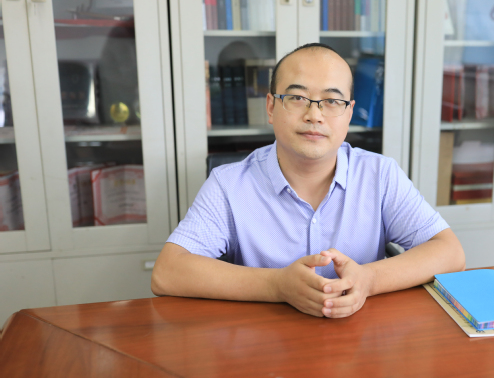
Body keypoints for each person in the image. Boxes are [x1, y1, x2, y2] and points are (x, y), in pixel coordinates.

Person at [152, 43, 465, 318]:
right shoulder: (228, 184)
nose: (314, 115)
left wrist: (368, 279)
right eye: (297, 97)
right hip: (262, 345)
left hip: (360, 340)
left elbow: (450, 253)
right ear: (271, 107)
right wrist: (277, 285)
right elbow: (168, 272)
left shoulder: (380, 175)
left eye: (332, 101)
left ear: (349, 114)